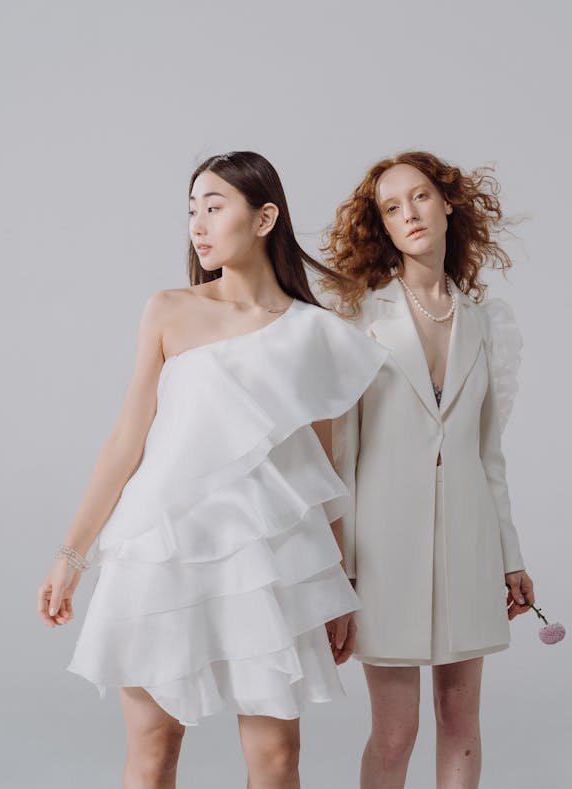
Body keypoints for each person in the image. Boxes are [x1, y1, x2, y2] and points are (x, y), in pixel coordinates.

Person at [38, 151, 388, 789]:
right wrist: (72, 553)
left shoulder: (315, 333)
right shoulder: (168, 310)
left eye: (214, 206)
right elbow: (126, 440)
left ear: (265, 217)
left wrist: (336, 582)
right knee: (153, 752)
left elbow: (324, 470)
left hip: (269, 562)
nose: (197, 224)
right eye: (192, 209)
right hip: (162, 549)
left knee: (277, 761)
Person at [319, 151, 536, 789]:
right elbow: (342, 454)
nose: (408, 213)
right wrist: (341, 571)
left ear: (447, 203)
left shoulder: (485, 321)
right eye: (391, 207)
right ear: (382, 227)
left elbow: (487, 451)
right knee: (396, 731)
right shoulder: (361, 318)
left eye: (418, 197)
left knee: (459, 719)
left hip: (469, 545)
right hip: (380, 552)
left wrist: (510, 556)